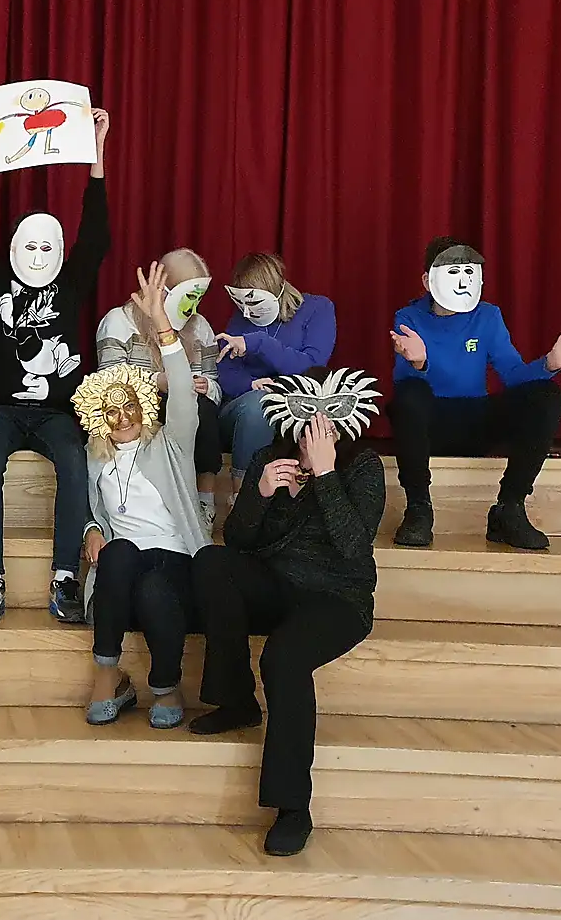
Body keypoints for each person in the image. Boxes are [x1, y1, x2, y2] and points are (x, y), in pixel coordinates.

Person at [188, 366, 385, 857]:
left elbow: (354, 548)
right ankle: (236, 701)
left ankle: (293, 806)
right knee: (213, 562)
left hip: (337, 599)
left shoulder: (364, 467)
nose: (316, 425)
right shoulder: (266, 459)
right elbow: (237, 540)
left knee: (283, 658)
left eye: (328, 415)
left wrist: (326, 475)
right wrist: (258, 494)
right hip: (276, 586)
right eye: (305, 414)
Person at [0, 102, 111, 623]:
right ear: (14, 249)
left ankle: (65, 576)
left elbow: (96, 237)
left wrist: (96, 153)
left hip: (57, 413)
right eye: (31, 246)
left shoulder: (70, 284)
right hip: (3, 410)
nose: (40, 256)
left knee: (74, 461)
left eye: (49, 247)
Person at [389, 237, 561, 550]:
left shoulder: (488, 316)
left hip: (478, 422)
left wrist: (550, 363)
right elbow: (405, 388)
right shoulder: (409, 317)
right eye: (452, 272)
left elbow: (513, 375)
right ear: (428, 281)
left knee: (545, 395)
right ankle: (418, 510)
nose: (462, 281)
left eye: (468, 272)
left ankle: (509, 509)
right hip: (430, 426)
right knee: (409, 394)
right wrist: (419, 362)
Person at [79, 263, 211, 729]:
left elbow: (185, 394)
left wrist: (162, 325)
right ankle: (107, 677)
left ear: (144, 406)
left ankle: (165, 685)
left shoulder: (171, 444)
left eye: (130, 405)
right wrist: (91, 528)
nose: (121, 417)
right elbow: (90, 510)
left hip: (174, 561)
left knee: (156, 588)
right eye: (110, 409)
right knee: (118, 553)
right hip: (122, 569)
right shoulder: (95, 457)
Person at [95, 247, 224, 534]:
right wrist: (158, 382)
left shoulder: (200, 328)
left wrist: (206, 387)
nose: (192, 309)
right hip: (137, 411)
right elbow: (108, 381)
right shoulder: (118, 322)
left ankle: (204, 502)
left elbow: (215, 385)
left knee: (203, 410)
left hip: (186, 413)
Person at [214, 253, 336, 482]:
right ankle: (243, 492)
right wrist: (250, 384)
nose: (246, 312)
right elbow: (225, 372)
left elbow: (313, 369)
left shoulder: (318, 309)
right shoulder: (240, 319)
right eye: (241, 304)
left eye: (252, 303)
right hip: (246, 411)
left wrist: (258, 343)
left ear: (275, 289)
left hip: (298, 408)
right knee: (258, 404)